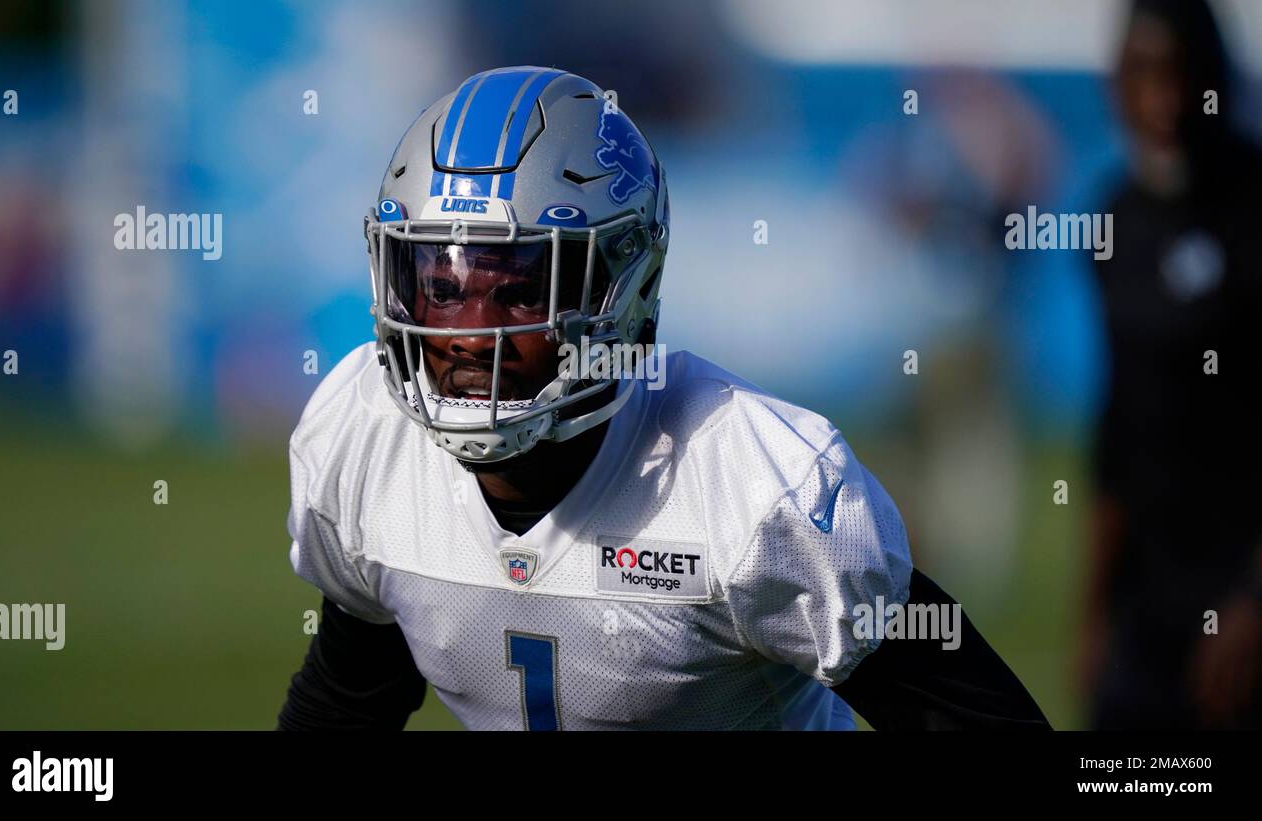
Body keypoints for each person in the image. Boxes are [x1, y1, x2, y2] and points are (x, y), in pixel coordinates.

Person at [277, 66, 1048, 731]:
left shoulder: (751, 489)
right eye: (441, 286)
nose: (473, 335)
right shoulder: (367, 442)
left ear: (620, 288)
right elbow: (351, 694)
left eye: (519, 287)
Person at [1083, 0, 1262, 729]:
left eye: (1181, 75)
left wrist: (1255, 600)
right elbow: (1117, 428)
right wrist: (1091, 612)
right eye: (1144, 75)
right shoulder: (1111, 221)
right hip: (1144, 613)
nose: (1165, 100)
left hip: (1241, 600)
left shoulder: (1252, 209)